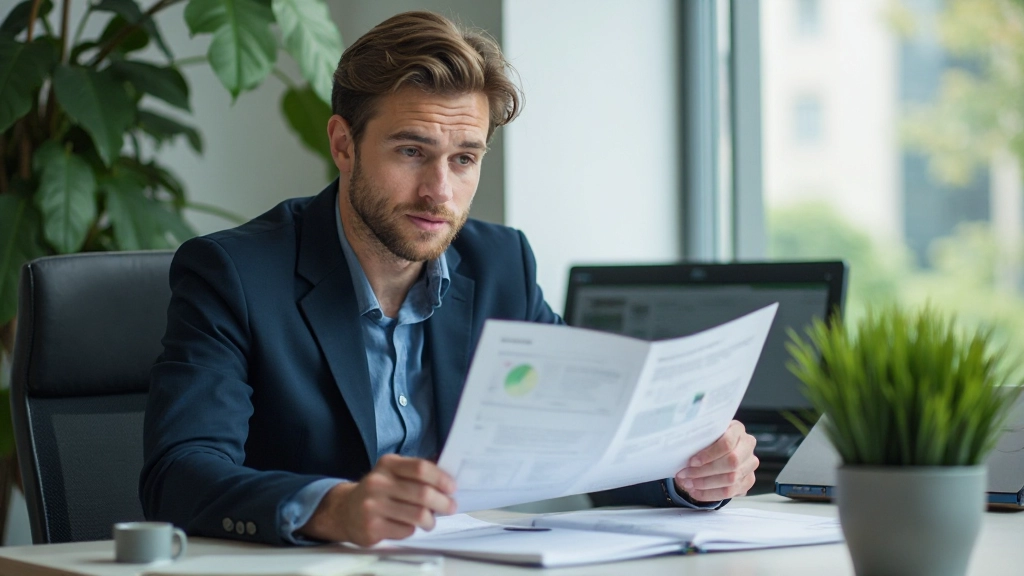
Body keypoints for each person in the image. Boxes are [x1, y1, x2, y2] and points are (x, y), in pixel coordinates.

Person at [140, 10, 758, 547]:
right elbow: (180, 474)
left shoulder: (501, 265)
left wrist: (685, 472)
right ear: (343, 144)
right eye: (411, 152)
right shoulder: (235, 274)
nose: (440, 191)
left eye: (464, 159)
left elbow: (585, 441)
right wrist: (334, 508)